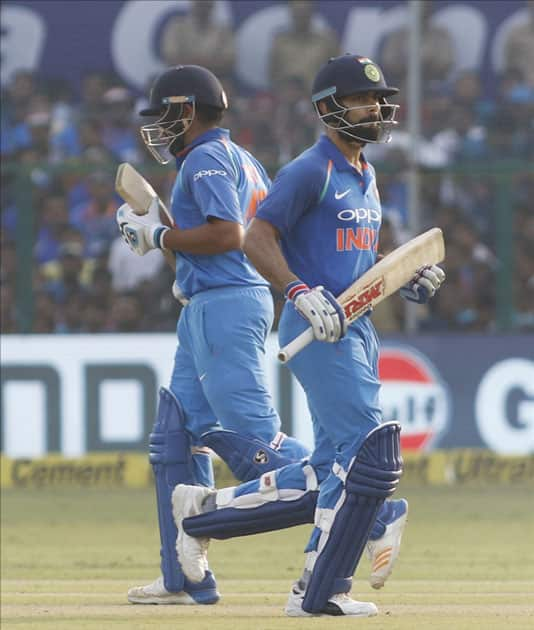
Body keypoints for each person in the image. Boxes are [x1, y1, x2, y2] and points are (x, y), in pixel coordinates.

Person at [171, 54, 445, 617]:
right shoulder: (309, 169)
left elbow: (357, 264)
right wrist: (297, 291)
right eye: (361, 99)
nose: (375, 108)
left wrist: (405, 277)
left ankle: (199, 513)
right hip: (318, 326)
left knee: (327, 472)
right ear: (327, 108)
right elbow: (256, 238)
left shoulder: (365, 174)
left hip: (355, 325)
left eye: (378, 99)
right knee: (369, 457)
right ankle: (317, 593)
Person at [115, 65, 309, 605]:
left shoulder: (203, 158)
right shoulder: (241, 158)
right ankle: (184, 578)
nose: (157, 127)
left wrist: (157, 233)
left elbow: (229, 235)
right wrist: (163, 232)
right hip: (212, 302)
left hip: (226, 303)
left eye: (163, 115)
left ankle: (362, 504)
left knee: (252, 434)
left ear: (186, 110)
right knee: (176, 432)